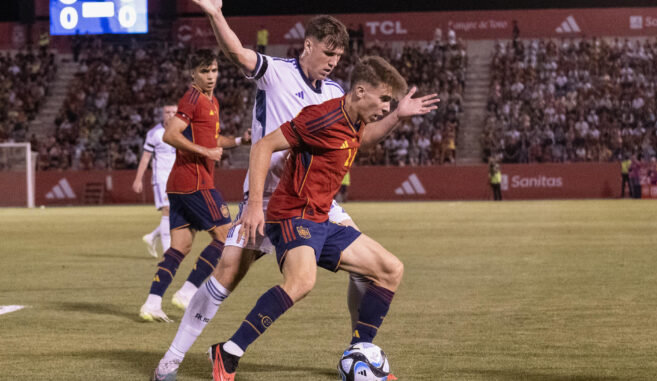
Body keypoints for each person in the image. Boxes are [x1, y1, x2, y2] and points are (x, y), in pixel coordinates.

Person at [151, 2, 435, 379]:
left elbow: (359, 139)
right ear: (307, 46)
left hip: (317, 198)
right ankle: (172, 358)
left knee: (374, 269)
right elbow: (236, 52)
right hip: (268, 197)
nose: (333, 62)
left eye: (339, 55)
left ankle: (359, 352)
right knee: (227, 273)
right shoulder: (277, 73)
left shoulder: (335, 92)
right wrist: (215, 15)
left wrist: (397, 114)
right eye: (328, 52)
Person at [209, 55, 439, 380]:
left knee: (390, 270)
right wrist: (254, 206)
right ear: (360, 91)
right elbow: (262, 146)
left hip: (320, 218)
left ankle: (358, 354)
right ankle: (228, 353)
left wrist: (399, 116)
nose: (387, 106)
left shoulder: (356, 120)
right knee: (302, 282)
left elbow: (366, 140)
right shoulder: (320, 118)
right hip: (291, 214)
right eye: (384, 99)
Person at [139, 49, 250, 323]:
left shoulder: (212, 101)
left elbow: (213, 140)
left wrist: (238, 141)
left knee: (180, 247)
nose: (211, 76)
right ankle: (188, 292)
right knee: (226, 237)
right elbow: (169, 134)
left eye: (213, 70)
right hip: (195, 183)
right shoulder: (191, 98)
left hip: (179, 185)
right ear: (193, 74)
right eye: (204, 71)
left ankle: (152, 303)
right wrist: (204, 151)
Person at [132, 103, 178, 258]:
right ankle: (168, 253)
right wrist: (138, 179)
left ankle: (152, 237)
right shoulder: (154, 133)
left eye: (173, 112)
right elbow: (145, 158)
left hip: (178, 178)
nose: (170, 115)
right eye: (167, 112)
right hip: (161, 179)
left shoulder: (182, 131)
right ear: (162, 114)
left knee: (180, 215)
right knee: (167, 209)